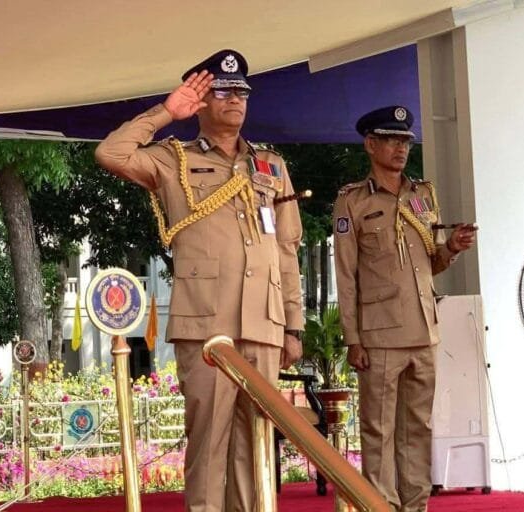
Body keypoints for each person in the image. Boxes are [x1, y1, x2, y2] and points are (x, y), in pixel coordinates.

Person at [95, 49, 304, 512]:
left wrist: (293, 326)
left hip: (264, 327)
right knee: (209, 442)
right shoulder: (175, 160)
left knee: (257, 446)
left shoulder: (270, 165)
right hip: (207, 325)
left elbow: (287, 248)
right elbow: (111, 153)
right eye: (223, 91)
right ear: (202, 101)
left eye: (241, 92)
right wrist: (166, 113)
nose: (235, 99)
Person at [332, 106, 476, 512]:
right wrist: (352, 338)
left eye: (406, 141)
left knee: (418, 429)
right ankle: (380, 506)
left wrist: (452, 248)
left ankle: (415, 507)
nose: (401, 148)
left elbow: (431, 262)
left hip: (423, 331)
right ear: (370, 144)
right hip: (378, 336)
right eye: (392, 140)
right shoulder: (352, 201)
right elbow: (346, 276)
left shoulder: (423, 195)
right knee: (378, 431)